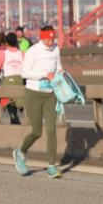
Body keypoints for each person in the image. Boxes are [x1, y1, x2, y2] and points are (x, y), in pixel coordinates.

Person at [14, 25, 63, 177]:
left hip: (50, 94)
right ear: (42, 37)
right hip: (33, 94)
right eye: (48, 39)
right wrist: (44, 74)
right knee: (36, 131)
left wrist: (60, 72)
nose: (50, 42)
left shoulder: (56, 49)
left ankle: (51, 167)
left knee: (51, 130)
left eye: (52, 38)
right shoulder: (32, 51)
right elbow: (24, 73)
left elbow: (58, 66)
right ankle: (20, 153)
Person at [0, 32, 23, 124]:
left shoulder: (2, 53)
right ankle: (14, 118)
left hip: (8, 81)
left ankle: (13, 116)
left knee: (5, 98)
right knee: (16, 100)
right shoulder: (22, 54)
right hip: (20, 81)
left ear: (7, 43)